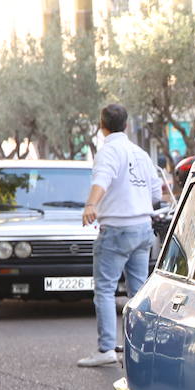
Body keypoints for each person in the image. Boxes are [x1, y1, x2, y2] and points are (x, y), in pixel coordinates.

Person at [78, 104, 169, 367]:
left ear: (101, 124)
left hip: (117, 229)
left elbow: (102, 181)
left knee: (105, 289)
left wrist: (90, 205)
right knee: (138, 291)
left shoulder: (108, 151)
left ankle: (106, 349)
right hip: (143, 229)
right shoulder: (140, 153)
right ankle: (138, 346)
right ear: (126, 125)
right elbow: (155, 194)